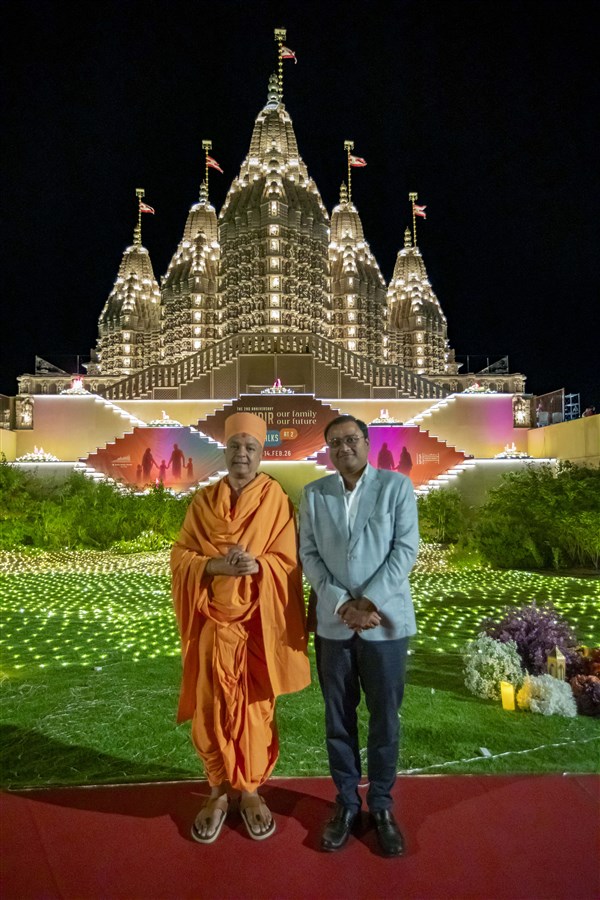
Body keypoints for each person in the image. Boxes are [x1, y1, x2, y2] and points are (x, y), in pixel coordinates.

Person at [171, 412, 310, 844]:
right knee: (210, 707)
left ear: (261, 452)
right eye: (235, 447)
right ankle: (216, 792)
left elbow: (287, 561)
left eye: (251, 447)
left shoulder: (275, 500)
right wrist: (214, 565)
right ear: (225, 450)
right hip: (214, 624)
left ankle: (249, 790)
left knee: (256, 710)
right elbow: (181, 556)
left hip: (257, 626)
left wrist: (257, 565)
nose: (242, 454)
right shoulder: (203, 502)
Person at [299, 415, 419, 857]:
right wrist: (342, 606)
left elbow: (405, 550)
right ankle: (347, 803)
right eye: (334, 442)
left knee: (385, 718)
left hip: (383, 623)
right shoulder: (315, 494)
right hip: (335, 625)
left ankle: (381, 805)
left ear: (367, 443)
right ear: (328, 450)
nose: (343, 447)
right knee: (338, 719)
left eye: (351, 439)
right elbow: (309, 554)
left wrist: (368, 603)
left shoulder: (395, 487)